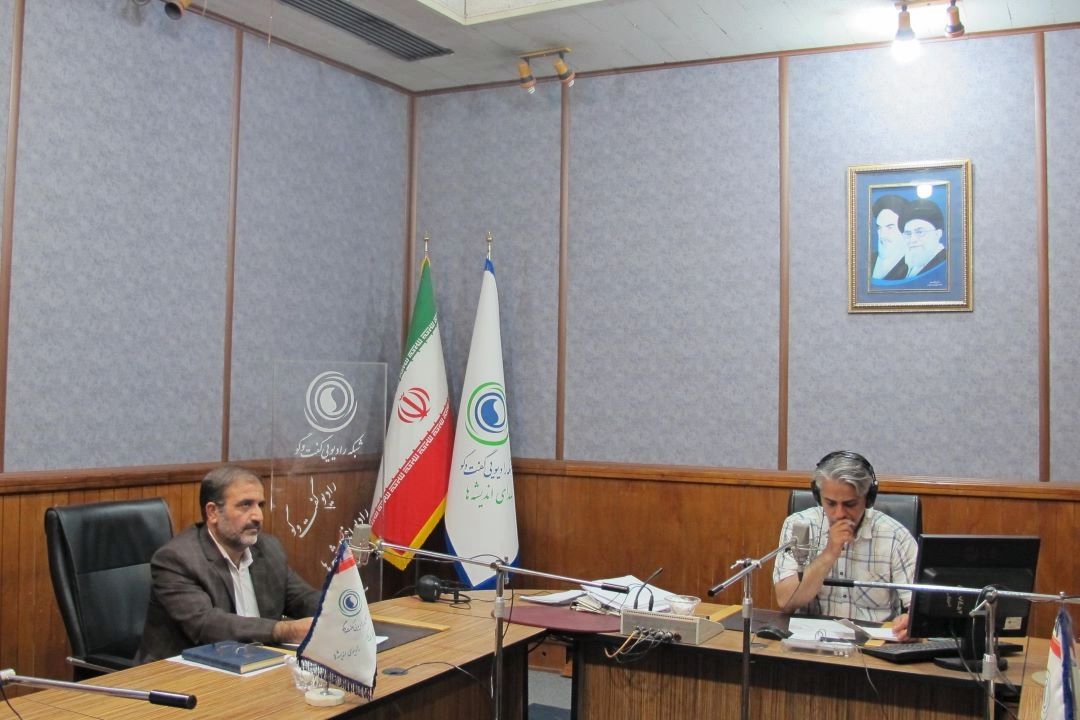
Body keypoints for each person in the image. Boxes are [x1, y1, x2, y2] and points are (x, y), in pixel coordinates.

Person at [136, 465, 321, 663]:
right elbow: (207, 625)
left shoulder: (268, 549)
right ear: (213, 512)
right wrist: (285, 630)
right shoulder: (176, 559)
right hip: (184, 670)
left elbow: (302, 598)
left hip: (256, 663)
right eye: (245, 505)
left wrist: (339, 609)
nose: (258, 516)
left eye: (260, 505)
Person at [772, 451, 917, 640]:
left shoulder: (895, 536)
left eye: (850, 504)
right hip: (811, 643)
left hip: (874, 645)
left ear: (868, 499)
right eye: (830, 503)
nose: (839, 514)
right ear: (818, 496)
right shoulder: (799, 526)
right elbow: (785, 601)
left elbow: (919, 608)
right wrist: (829, 553)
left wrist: (909, 621)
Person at [900, 198, 947, 279]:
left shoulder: (946, 264)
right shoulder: (904, 268)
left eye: (919, 232)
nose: (912, 240)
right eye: (908, 234)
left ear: (937, 234)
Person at [869, 194, 909, 282]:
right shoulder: (869, 260)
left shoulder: (913, 266)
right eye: (879, 227)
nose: (882, 234)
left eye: (890, 227)